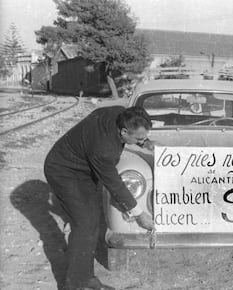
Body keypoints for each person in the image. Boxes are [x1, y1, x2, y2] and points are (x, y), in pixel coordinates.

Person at [44, 106, 155, 290]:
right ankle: (74, 284)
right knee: (85, 223)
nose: (142, 140)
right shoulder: (105, 149)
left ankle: (86, 278)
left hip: (84, 168)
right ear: (123, 131)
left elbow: (134, 133)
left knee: (92, 220)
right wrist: (139, 214)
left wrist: (145, 143)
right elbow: (115, 185)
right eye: (138, 138)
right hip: (63, 170)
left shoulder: (122, 114)